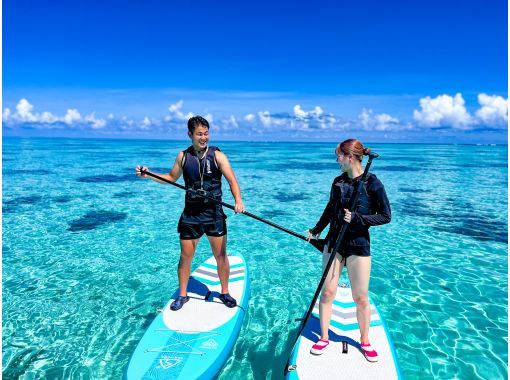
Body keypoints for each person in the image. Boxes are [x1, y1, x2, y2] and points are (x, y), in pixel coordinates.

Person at [136, 115, 245, 311]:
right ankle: (183, 295)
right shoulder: (183, 156)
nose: (204, 138)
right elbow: (170, 178)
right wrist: (149, 175)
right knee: (185, 256)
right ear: (190, 135)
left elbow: (232, 181)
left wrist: (238, 200)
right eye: (199, 134)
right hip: (191, 215)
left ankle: (225, 292)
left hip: (214, 214)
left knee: (220, 255)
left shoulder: (218, 156)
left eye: (206, 133)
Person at [306, 138, 391, 362]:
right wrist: (316, 230)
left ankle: (365, 341)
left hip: (358, 245)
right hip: (334, 242)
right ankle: (324, 337)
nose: (337, 160)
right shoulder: (337, 182)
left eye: (339, 156)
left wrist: (357, 218)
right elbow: (329, 209)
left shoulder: (373, 183)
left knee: (360, 297)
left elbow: (385, 216)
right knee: (327, 293)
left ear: (350, 157)